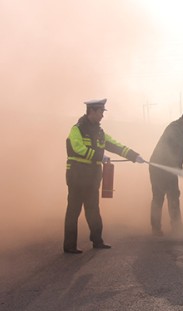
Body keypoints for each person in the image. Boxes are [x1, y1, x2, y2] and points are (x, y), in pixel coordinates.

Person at [64, 98, 145, 254]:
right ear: (92, 111)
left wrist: (134, 156)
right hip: (77, 177)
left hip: (92, 177)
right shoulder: (77, 129)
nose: (102, 115)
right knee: (73, 211)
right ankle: (69, 246)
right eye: (101, 112)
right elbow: (77, 148)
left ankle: (97, 241)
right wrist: (99, 156)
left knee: (93, 209)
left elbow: (115, 145)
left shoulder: (100, 132)